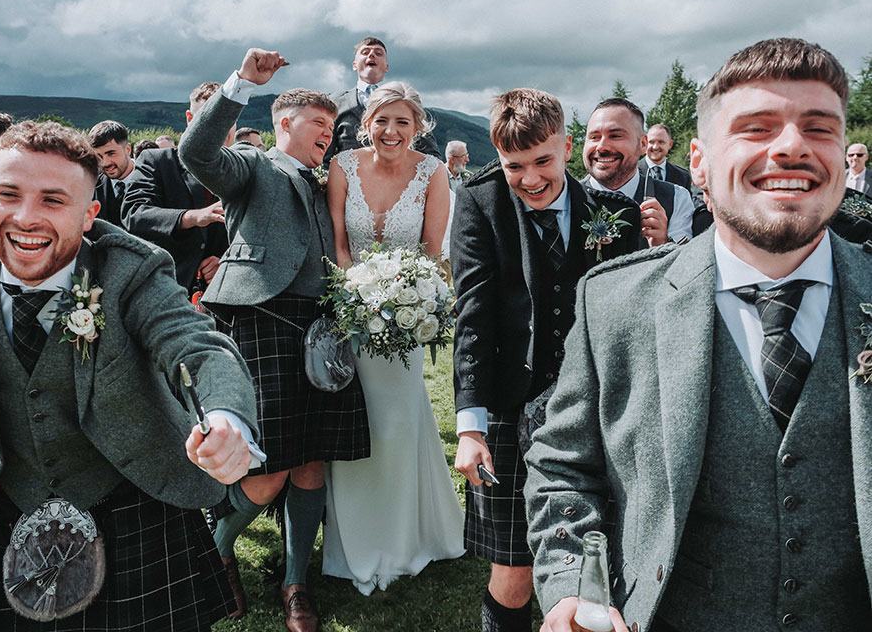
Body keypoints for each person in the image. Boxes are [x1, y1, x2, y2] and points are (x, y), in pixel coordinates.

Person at [526, 37, 872, 632]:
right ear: (700, 162)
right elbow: (564, 467)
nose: (792, 146)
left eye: (819, 129)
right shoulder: (615, 301)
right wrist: (573, 586)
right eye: (757, 128)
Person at [0, 120, 261, 631]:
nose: (25, 217)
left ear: (89, 214)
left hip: (131, 499)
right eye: (8, 194)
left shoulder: (131, 270)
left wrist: (227, 418)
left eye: (53, 200)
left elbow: (199, 346)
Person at [178, 47, 369, 631]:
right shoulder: (251, 165)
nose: (328, 135)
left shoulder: (328, 181)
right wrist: (241, 83)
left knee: (311, 465)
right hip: (260, 322)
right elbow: (195, 152)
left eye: (332, 127)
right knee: (265, 473)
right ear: (285, 123)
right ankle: (211, 553)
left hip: (321, 330)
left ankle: (295, 582)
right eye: (318, 124)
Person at [452, 88, 641, 632]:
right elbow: (474, 314)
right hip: (509, 403)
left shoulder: (615, 215)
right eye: (514, 166)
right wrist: (471, 427)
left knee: (598, 566)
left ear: (567, 147)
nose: (531, 179)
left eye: (543, 161)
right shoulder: (480, 202)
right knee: (513, 568)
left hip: (596, 408)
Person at [323, 81, 463, 594]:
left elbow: (432, 251)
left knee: (399, 424)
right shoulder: (342, 166)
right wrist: (357, 298)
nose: (391, 130)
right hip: (351, 316)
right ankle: (356, 540)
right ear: (367, 124)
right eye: (382, 120)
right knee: (353, 424)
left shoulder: (433, 172)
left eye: (402, 121)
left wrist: (408, 302)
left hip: (405, 321)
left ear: (418, 127)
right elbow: (339, 243)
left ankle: (406, 538)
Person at [122, 83, 230, 292]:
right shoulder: (157, 161)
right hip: (167, 288)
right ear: (189, 118)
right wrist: (192, 217)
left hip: (226, 294)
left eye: (227, 119)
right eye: (208, 117)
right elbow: (134, 214)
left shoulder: (246, 168)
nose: (218, 127)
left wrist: (227, 260)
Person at [583, 99, 694, 246]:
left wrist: (663, 243)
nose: (601, 147)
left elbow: (686, 258)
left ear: (642, 144)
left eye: (615, 136)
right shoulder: (565, 199)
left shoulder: (676, 198)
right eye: (594, 137)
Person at [324, 36, 441, 168]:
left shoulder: (405, 100)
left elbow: (431, 156)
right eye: (365, 52)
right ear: (354, 65)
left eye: (378, 53)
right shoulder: (336, 101)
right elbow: (324, 155)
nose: (371, 55)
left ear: (386, 67)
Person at [88, 120, 135, 226]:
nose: (105, 163)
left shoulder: (153, 179)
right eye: (99, 156)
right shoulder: (91, 186)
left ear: (128, 150)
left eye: (111, 153)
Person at [638, 124, 692, 191]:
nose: (655, 147)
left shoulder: (683, 176)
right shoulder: (632, 171)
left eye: (661, 142)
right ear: (644, 143)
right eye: (651, 142)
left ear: (670, 144)